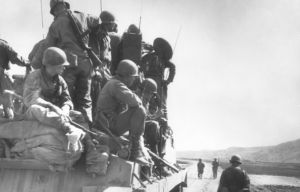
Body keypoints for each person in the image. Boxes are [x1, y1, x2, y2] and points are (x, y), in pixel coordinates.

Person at [23, 47, 104, 175]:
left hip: (55, 114)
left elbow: (67, 99)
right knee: (36, 108)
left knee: (77, 115)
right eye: (61, 65)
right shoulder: (34, 77)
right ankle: (68, 128)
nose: (64, 68)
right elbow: (30, 100)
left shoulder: (60, 80)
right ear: (52, 66)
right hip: (35, 114)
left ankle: (90, 148)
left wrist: (66, 108)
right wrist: (53, 107)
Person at [31, 0, 100, 128]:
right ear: (66, 5)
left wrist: (35, 63)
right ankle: (87, 128)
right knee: (85, 99)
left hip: (68, 64)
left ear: (54, 10)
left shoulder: (56, 24)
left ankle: (69, 126)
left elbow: (47, 45)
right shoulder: (83, 16)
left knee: (65, 97)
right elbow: (98, 21)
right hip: (86, 63)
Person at [95, 59, 153, 166]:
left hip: (107, 122)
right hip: (109, 124)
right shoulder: (116, 85)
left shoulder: (114, 83)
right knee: (140, 110)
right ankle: (135, 153)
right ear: (126, 76)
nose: (133, 81)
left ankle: (135, 150)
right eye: (133, 78)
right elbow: (136, 102)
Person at [140, 38, 176, 119]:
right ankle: (154, 117)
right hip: (153, 81)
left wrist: (168, 80)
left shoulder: (158, 58)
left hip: (156, 81)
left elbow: (172, 67)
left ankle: (161, 119)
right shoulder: (150, 56)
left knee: (159, 102)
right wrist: (168, 81)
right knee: (157, 102)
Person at [0, 38, 30, 119]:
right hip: (1, 76)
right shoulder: (3, 44)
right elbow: (15, 58)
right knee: (7, 102)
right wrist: (27, 63)